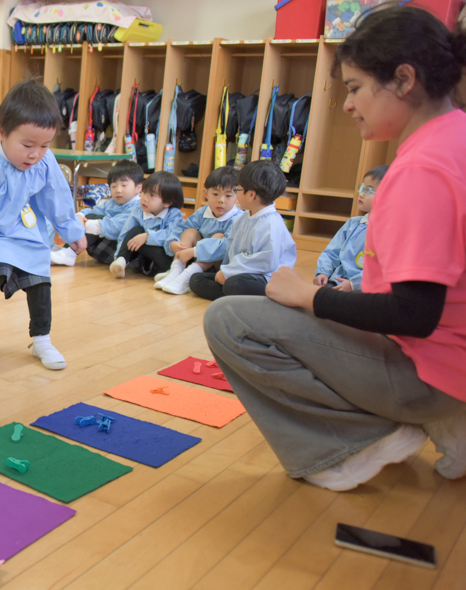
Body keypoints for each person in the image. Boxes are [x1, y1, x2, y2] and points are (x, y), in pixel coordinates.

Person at [203, 6, 466, 491]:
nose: (346, 105)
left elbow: (415, 315)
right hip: (451, 365)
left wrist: (309, 296)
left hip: (431, 374)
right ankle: (449, 420)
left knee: (229, 319)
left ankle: (355, 443)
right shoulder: (456, 136)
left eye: (355, 88)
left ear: (404, 79)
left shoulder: (422, 169)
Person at [0, 80, 88, 370]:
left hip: (22, 224)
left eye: (45, 145)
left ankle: (42, 339)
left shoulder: (44, 160)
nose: (36, 154)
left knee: (40, 278)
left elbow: (57, 196)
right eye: (27, 145)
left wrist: (71, 231)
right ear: (1, 131)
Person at [188, 161, 296, 300]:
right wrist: (225, 271)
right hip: (240, 274)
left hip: (265, 278)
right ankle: (235, 296)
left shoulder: (271, 224)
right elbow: (231, 251)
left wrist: (229, 272)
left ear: (251, 195)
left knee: (235, 284)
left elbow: (265, 263)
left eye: (237, 190)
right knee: (196, 279)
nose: (236, 194)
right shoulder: (243, 218)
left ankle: (256, 296)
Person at [155, 165, 243, 294]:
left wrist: (195, 251)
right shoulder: (202, 212)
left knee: (218, 236)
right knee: (190, 231)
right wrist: (173, 242)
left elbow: (226, 246)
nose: (221, 200)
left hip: (220, 265)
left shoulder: (238, 218)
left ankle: (185, 278)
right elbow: (182, 228)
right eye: (215, 194)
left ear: (238, 197)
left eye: (228, 195)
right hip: (194, 257)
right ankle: (175, 271)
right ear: (206, 193)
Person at [50, 159, 143, 266]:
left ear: (138, 188)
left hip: (120, 253)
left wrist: (85, 224)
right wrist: (80, 216)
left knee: (93, 218)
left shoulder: (138, 206)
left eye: (124, 185)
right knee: (90, 216)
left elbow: (118, 226)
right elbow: (93, 210)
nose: (118, 190)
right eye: (113, 186)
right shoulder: (112, 202)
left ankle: (70, 253)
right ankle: (68, 250)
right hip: (102, 248)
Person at [314, 165, 388, 292]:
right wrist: (323, 272)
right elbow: (331, 252)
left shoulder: (390, 232)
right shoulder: (353, 224)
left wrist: (354, 284)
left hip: (364, 289)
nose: (361, 194)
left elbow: (380, 270)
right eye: (362, 188)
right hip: (336, 281)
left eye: (368, 190)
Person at [109, 171, 184, 278]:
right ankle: (122, 260)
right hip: (140, 258)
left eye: (152, 195)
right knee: (136, 230)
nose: (144, 198)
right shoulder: (138, 211)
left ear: (167, 202)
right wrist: (118, 255)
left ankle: (168, 271)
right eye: (144, 192)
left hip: (161, 258)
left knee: (147, 238)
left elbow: (171, 236)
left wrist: (148, 236)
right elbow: (125, 234)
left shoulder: (174, 214)